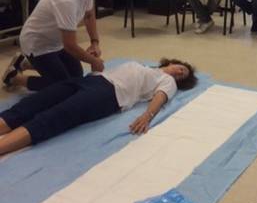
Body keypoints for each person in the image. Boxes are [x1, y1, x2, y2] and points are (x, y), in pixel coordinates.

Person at [0, 58, 197, 157]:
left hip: (109, 95)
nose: (179, 73)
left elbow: (160, 97)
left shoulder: (167, 81)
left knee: (54, 117)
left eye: (183, 75)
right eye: (181, 68)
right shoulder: (146, 67)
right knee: (35, 103)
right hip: (94, 80)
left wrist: (148, 115)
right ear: (171, 62)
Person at [2, 0, 113, 91]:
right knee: (64, 87)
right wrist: (93, 61)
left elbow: (89, 15)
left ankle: (24, 64)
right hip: (37, 44)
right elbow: (70, 45)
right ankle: (14, 78)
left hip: (56, 42)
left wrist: (94, 43)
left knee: (76, 77)